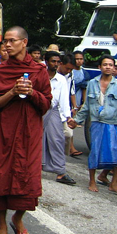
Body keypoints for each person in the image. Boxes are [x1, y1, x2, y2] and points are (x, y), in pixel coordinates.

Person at [0, 26, 52, 234]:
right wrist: (12, 91)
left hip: (29, 134)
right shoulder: (0, 71)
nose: (7, 45)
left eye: (11, 41)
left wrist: (32, 93)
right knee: (2, 176)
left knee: (27, 179)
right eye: (5, 41)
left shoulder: (39, 71)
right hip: (5, 132)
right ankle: (1, 225)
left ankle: (18, 218)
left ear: (24, 42)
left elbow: (46, 103)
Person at [68, 55, 117, 196]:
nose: (108, 67)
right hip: (97, 124)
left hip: (113, 124)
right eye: (105, 64)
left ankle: (114, 184)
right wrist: (76, 121)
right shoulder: (92, 83)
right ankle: (92, 181)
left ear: (114, 68)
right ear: (99, 67)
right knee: (95, 152)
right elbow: (87, 106)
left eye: (110, 65)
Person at [41, 51, 76, 185]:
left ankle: (60, 172)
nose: (55, 64)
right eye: (53, 61)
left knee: (57, 139)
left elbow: (64, 100)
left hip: (53, 110)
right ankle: (34, 166)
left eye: (57, 62)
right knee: (35, 138)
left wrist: (68, 117)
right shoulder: (40, 75)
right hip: (39, 110)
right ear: (46, 61)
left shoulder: (61, 79)